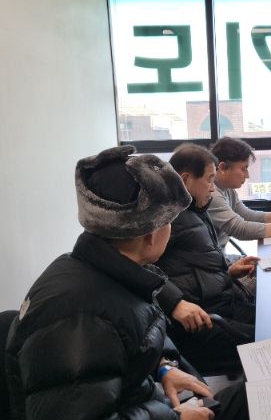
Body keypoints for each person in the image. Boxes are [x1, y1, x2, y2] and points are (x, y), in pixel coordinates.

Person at [4, 145, 248, 419]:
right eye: (169, 221)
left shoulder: (109, 271)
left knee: (250, 397)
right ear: (152, 233)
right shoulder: (83, 319)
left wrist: (162, 368)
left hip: (148, 400)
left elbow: (127, 344)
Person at [156, 143, 258, 373]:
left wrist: (229, 271)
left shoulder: (195, 211)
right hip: (205, 320)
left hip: (223, 302)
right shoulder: (169, 219)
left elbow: (193, 267)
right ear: (185, 180)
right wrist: (174, 302)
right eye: (210, 180)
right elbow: (137, 267)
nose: (213, 188)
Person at [209, 137, 271, 250]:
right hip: (215, 260)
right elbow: (240, 229)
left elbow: (246, 215)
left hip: (220, 257)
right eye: (243, 169)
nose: (247, 175)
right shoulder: (211, 194)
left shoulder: (228, 189)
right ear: (223, 168)